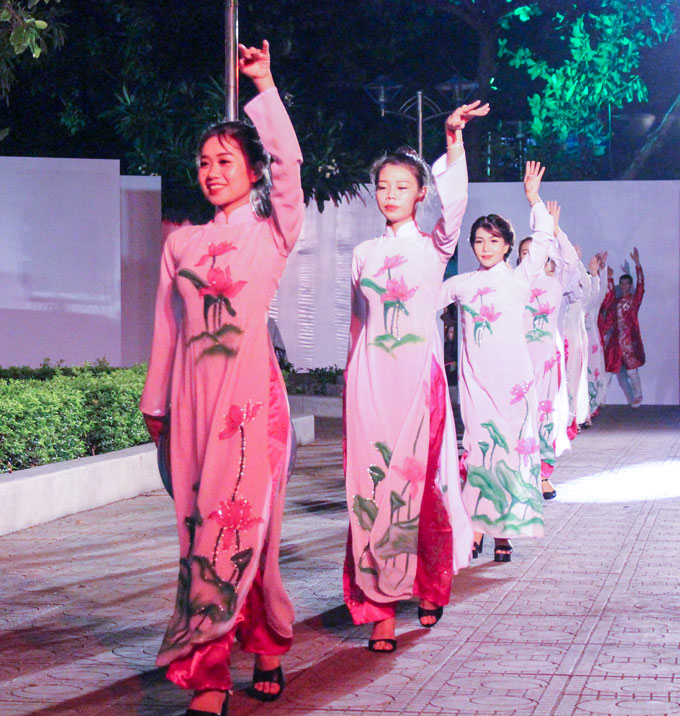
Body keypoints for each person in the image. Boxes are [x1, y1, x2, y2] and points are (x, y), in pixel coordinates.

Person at [140, 41, 304, 716]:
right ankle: (255, 642)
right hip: (189, 407)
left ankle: (215, 673)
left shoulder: (271, 232)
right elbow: (166, 330)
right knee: (197, 539)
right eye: (204, 162)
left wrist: (263, 87)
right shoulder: (181, 243)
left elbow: (291, 167)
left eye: (225, 161)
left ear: (251, 169)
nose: (211, 172)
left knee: (242, 536)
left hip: (250, 405)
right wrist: (156, 407)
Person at [343, 101, 488, 653]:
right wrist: (349, 379)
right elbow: (357, 326)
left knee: (417, 487)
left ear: (421, 194)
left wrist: (454, 141)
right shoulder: (362, 254)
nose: (390, 194)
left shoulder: (435, 247)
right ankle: (378, 608)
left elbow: (457, 208)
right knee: (369, 492)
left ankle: (428, 584)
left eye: (402, 187)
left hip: (417, 385)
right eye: (383, 186)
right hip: (369, 383)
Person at [438, 161, 553, 564]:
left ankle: (503, 534)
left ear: (507, 244)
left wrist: (534, 199)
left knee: (512, 456)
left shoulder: (519, 279)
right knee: (480, 450)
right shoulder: (462, 285)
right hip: (478, 388)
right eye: (479, 242)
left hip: (515, 387)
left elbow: (541, 239)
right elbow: (422, 303)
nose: (485, 248)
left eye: (493, 241)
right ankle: (475, 527)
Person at [516, 201, 578, 500]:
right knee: (517, 416)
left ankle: (542, 475)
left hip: (545, 363)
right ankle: (517, 472)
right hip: (515, 359)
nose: (531, 257)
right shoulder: (512, 282)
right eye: (524, 253)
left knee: (544, 415)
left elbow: (570, 260)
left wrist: (554, 229)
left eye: (535, 251)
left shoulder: (556, 281)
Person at [598, 248, 646, 406]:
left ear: (630, 284)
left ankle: (638, 396)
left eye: (626, 283)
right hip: (615, 341)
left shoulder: (634, 301)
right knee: (608, 371)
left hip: (629, 341)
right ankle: (601, 399)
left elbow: (640, 287)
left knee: (632, 371)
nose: (624, 285)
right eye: (622, 283)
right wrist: (609, 277)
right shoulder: (616, 301)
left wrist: (637, 264)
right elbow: (609, 313)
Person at [583, 252, 608, 419]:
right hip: (573, 341)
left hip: (591, 344)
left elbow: (603, 288)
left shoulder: (592, 304)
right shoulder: (574, 302)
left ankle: (590, 408)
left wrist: (600, 271)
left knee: (592, 374)